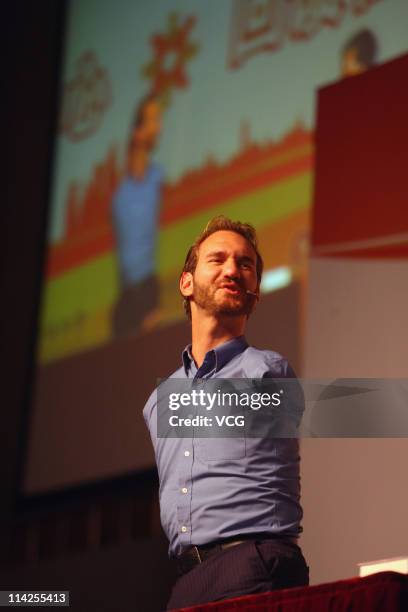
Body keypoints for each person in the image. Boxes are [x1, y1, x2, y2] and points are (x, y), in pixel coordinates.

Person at [143, 216, 309, 609]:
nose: (232, 269)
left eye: (245, 264)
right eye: (217, 259)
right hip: (186, 579)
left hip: (252, 565)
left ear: (255, 293)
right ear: (186, 283)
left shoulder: (268, 371)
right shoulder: (160, 402)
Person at [111, 93, 163, 336]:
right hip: (127, 297)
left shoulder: (157, 178)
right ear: (137, 132)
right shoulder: (119, 192)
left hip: (148, 290)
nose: (159, 127)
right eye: (153, 120)